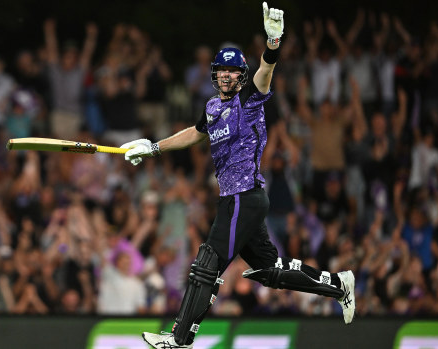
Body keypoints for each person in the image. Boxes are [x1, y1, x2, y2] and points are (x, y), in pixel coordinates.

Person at [121, 4, 355, 348]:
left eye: (234, 71)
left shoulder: (250, 99)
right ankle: (339, 285)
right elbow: (195, 132)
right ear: (215, 75)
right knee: (270, 270)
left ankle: (180, 338)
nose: (228, 76)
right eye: (222, 71)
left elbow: (266, 70)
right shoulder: (212, 107)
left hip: (244, 195)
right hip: (238, 199)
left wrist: (273, 42)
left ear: (241, 75)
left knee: (207, 263)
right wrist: (154, 147)